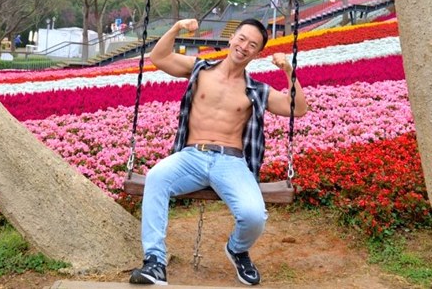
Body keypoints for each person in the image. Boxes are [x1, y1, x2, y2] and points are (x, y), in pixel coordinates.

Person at [130, 18, 309, 286]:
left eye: (252, 45)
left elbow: (297, 109)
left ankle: (237, 249)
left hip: (231, 162)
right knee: (156, 178)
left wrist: (288, 70)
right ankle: (155, 261)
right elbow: (159, 56)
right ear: (231, 39)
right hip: (191, 157)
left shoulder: (257, 90)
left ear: (257, 53)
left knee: (253, 216)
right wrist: (178, 27)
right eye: (241, 39)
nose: (244, 46)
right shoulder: (199, 70)